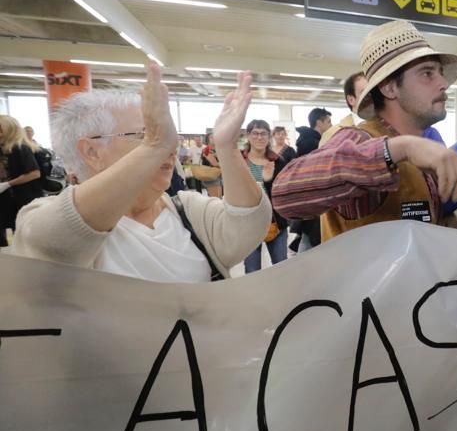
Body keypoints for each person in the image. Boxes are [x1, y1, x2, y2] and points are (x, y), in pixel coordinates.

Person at [11, 64, 269, 281]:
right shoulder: (41, 216)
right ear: (92, 152)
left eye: (166, 135)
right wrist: (154, 147)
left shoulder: (187, 211)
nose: (170, 147)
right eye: (145, 135)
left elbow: (248, 224)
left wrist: (227, 148)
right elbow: (54, 240)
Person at [273, 20, 457, 238]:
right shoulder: (360, 139)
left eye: (440, 72)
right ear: (389, 87)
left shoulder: (420, 153)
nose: (443, 82)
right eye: (427, 73)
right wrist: (399, 149)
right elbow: (285, 195)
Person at [241, 120, 288, 273]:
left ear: (269, 137)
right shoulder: (239, 161)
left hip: (275, 222)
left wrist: (268, 182)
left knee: (281, 267)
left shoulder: (277, 161)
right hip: (247, 224)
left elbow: (283, 193)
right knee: (252, 270)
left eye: (263, 134)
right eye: (255, 133)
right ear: (248, 136)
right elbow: (231, 190)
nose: (259, 137)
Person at [0, 115, 45, 248]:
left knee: (24, 235)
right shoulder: (3, 149)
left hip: (23, 198)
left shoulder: (20, 148)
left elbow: (34, 173)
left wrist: (8, 184)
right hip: (7, 199)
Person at [201, 133, 223, 198]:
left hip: (217, 176)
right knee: (216, 199)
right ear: (207, 140)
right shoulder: (206, 150)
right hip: (210, 176)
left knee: (219, 197)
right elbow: (215, 163)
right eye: (211, 137)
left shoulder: (217, 149)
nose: (214, 138)